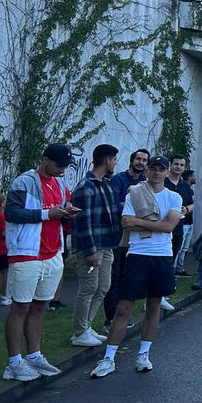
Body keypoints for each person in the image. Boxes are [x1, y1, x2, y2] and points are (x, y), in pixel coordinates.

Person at [89, 156, 182, 378]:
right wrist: (154, 224)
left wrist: (140, 222)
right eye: (154, 169)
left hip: (162, 255)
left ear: (167, 173)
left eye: (162, 169)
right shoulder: (135, 193)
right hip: (137, 254)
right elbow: (126, 223)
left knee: (153, 306)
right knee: (123, 308)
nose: (157, 173)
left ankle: (143, 354)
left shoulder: (173, 197)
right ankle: (109, 358)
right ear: (147, 171)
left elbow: (169, 226)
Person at [2, 144, 79, 381]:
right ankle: (14, 363)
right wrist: (48, 214)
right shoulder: (23, 182)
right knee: (20, 307)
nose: (62, 170)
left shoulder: (58, 183)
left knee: (39, 306)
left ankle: (34, 356)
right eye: (58, 166)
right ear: (45, 160)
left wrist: (67, 210)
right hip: (27, 253)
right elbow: (11, 213)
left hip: (52, 252)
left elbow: (59, 206)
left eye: (65, 166)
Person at [68, 144, 122, 347]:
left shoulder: (105, 184)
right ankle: (79, 332)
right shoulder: (86, 187)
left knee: (103, 287)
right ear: (107, 161)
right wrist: (91, 251)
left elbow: (111, 212)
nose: (115, 163)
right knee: (89, 288)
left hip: (107, 244)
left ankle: (87, 326)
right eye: (114, 159)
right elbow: (83, 222)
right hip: (91, 247)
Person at [106, 149, 149, 325]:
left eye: (144, 160)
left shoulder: (144, 183)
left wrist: (133, 210)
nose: (141, 162)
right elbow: (115, 205)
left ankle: (121, 317)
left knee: (127, 279)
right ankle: (110, 319)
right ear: (131, 161)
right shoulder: (118, 180)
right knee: (113, 278)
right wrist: (135, 210)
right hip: (118, 236)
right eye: (138, 159)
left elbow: (149, 209)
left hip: (136, 238)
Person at [168, 156, 195, 276]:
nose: (178, 167)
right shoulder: (162, 182)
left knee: (175, 253)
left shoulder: (185, 186)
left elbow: (192, 204)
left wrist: (187, 209)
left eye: (181, 165)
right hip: (161, 226)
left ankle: (169, 280)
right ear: (170, 164)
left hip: (179, 227)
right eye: (176, 164)